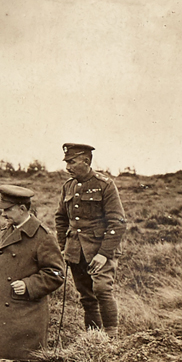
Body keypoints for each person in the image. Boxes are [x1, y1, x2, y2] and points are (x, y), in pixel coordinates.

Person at [0, 185, 65, 362]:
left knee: (27, 356)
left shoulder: (43, 236)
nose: (3, 213)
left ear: (23, 209)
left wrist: (28, 285)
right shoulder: (3, 233)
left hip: (26, 307)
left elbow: (57, 274)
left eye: (7, 210)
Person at [54, 143, 127, 338]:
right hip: (75, 250)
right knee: (87, 296)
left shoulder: (105, 184)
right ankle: (93, 339)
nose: (67, 167)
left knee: (102, 290)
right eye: (66, 162)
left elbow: (117, 222)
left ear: (86, 161)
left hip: (100, 249)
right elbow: (61, 219)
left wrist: (104, 254)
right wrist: (64, 247)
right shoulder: (68, 186)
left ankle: (112, 339)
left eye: (71, 162)